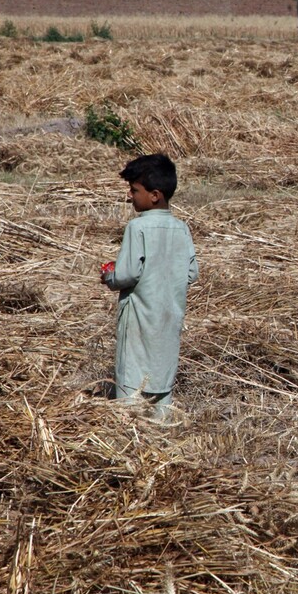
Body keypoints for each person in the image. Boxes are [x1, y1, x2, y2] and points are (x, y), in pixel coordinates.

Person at [101, 153, 199, 423]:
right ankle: (163, 432)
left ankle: (128, 432)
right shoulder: (182, 229)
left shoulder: (138, 227)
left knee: (131, 377)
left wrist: (110, 276)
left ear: (154, 195)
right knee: (161, 375)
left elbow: (128, 273)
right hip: (169, 317)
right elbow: (192, 272)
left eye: (134, 190)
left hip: (139, 317)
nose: (130, 196)